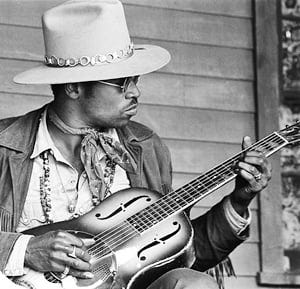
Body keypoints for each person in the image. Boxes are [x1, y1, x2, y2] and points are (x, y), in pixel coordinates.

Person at [0, 1, 272, 289]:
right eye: (122, 82)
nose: (135, 92)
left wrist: (240, 200)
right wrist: (25, 249)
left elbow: (179, 251)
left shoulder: (147, 148)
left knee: (195, 285)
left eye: (136, 80)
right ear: (73, 86)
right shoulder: (5, 146)